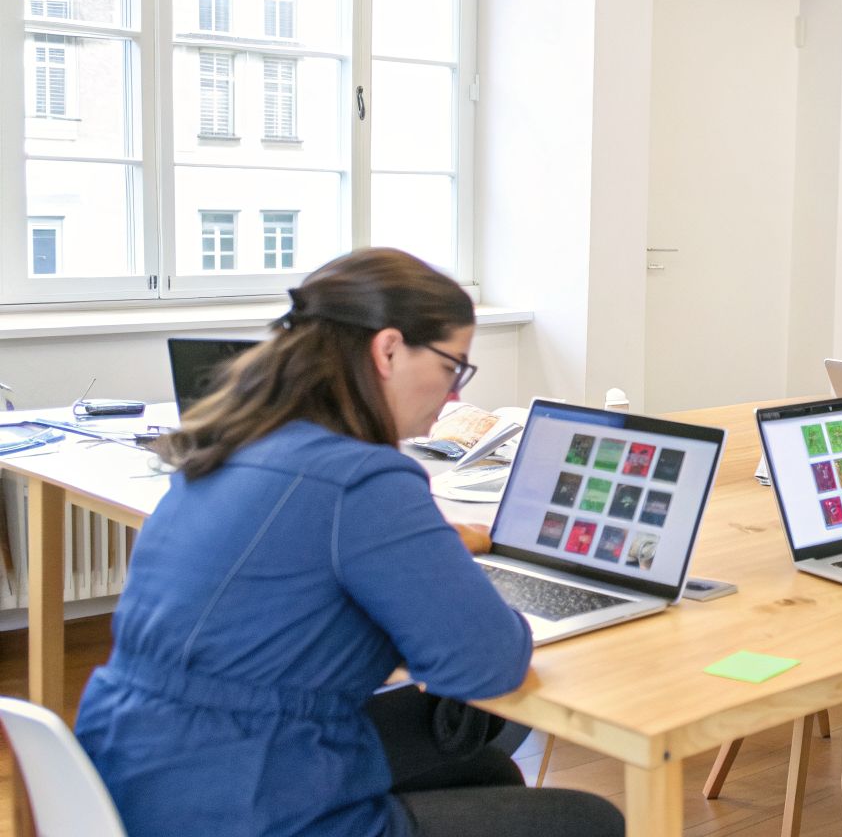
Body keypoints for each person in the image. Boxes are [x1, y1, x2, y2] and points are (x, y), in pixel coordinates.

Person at [74, 248, 623, 837]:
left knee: (480, 760)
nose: (453, 396)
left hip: (128, 768)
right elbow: (487, 663)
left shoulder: (230, 442)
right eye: (452, 367)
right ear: (387, 350)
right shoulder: (362, 478)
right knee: (586, 820)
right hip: (243, 798)